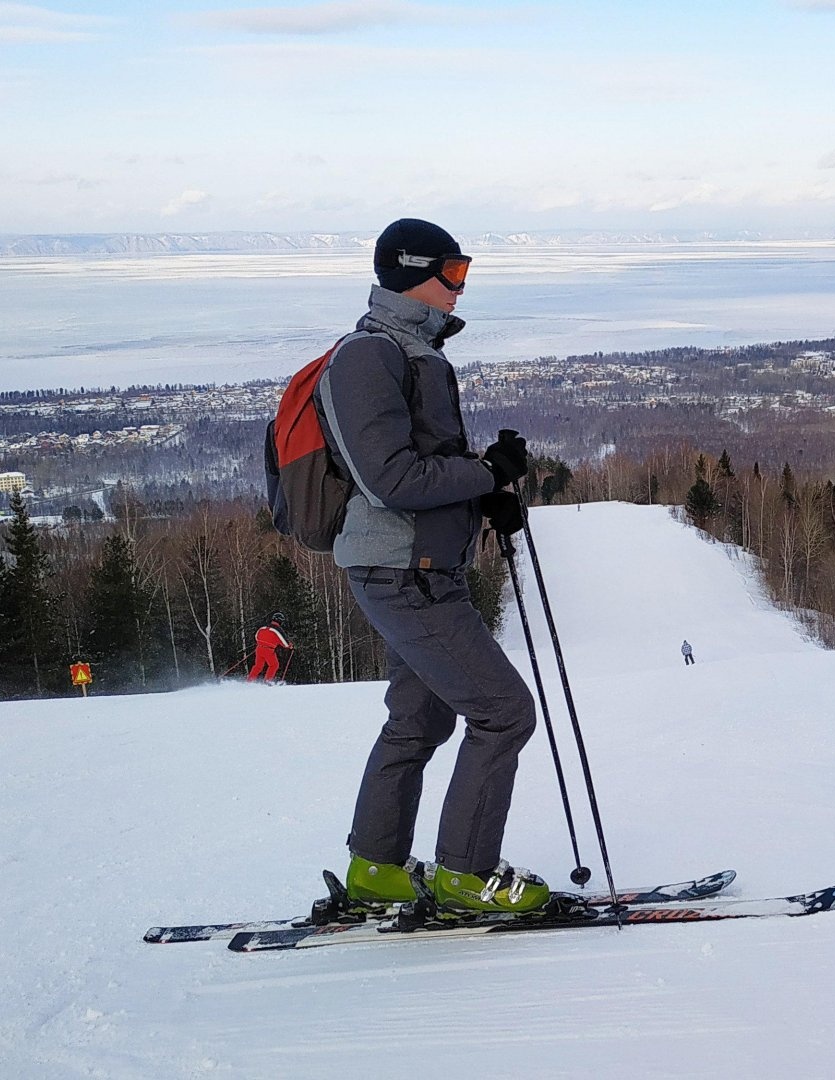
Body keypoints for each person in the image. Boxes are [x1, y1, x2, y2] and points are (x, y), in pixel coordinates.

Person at [316, 217, 546, 914]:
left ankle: (378, 870)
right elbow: (392, 480)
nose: (461, 286)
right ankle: (465, 875)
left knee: (420, 719)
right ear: (414, 271)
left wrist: (488, 498)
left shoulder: (415, 352)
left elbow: (423, 476)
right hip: (401, 571)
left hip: (420, 566)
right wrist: (483, 474)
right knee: (504, 713)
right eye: (452, 272)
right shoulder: (368, 357)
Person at [247, 612, 292, 682]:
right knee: (274, 665)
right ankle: (267, 681)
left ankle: (249, 681)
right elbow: (284, 643)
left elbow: (256, 637)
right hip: (268, 650)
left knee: (258, 666)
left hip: (259, 648)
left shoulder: (263, 627)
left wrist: (262, 643)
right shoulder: (278, 629)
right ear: (280, 621)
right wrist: (290, 646)